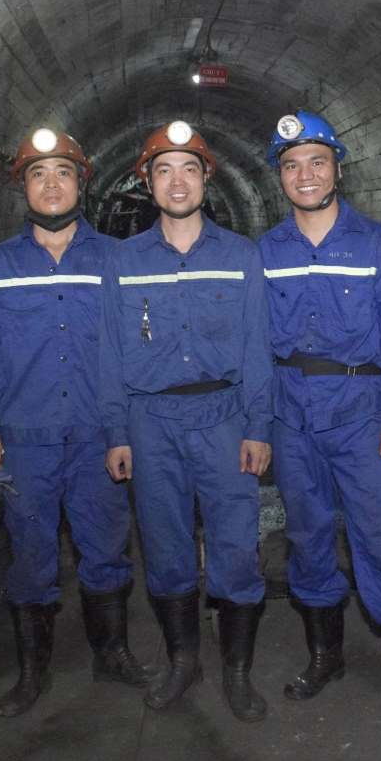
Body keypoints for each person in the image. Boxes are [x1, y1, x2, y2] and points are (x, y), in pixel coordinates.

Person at [257, 110, 381, 730]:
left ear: (337, 167)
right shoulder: (267, 251)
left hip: (362, 416)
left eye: (316, 162)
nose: (304, 175)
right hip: (292, 416)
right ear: (279, 178)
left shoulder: (377, 244)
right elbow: (255, 346)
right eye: (291, 166)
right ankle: (324, 658)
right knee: (308, 542)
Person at [0, 128, 152, 718]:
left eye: (63, 173)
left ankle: (112, 653)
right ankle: (30, 673)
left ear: (82, 184)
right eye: (38, 174)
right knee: (29, 555)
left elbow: (127, 351)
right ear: (23, 187)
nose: (51, 184)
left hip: (97, 436)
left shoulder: (113, 260)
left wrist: (123, 432)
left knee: (106, 548)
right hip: (24, 440)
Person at [99, 121, 273, 722]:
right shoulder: (122, 261)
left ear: (206, 180)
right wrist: (118, 433)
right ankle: (183, 661)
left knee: (236, 548)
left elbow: (257, 350)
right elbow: (110, 356)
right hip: (151, 421)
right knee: (167, 547)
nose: (178, 181)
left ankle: (239, 673)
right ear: (147, 183)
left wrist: (259, 428)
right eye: (164, 170)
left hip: (225, 417)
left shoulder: (239, 256)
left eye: (190, 169)